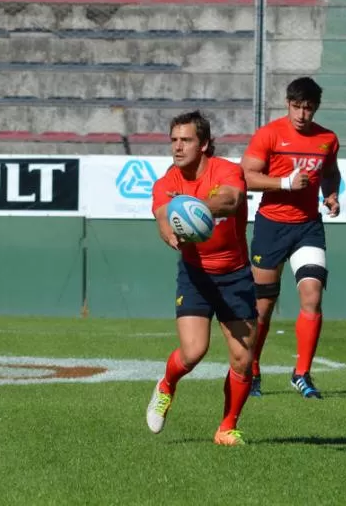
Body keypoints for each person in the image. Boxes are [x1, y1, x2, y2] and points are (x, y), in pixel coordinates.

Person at [145, 111, 257, 447]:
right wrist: (169, 231)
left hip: (235, 275)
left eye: (186, 140)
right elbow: (163, 216)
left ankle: (227, 427)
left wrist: (197, 208)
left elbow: (232, 199)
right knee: (193, 352)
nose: (178, 147)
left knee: (243, 358)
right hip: (196, 275)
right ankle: (166, 386)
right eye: (174, 140)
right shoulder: (167, 182)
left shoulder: (226, 171)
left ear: (204, 143)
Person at [240, 77, 342, 399]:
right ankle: (252, 370)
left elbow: (330, 173)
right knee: (263, 306)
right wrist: (285, 183)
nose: (301, 114)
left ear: (316, 108)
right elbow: (246, 177)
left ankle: (302, 374)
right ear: (287, 104)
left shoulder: (327, 139)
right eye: (296, 107)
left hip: (308, 226)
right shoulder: (269, 134)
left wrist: (332, 195)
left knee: (312, 296)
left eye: (308, 108)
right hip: (271, 226)